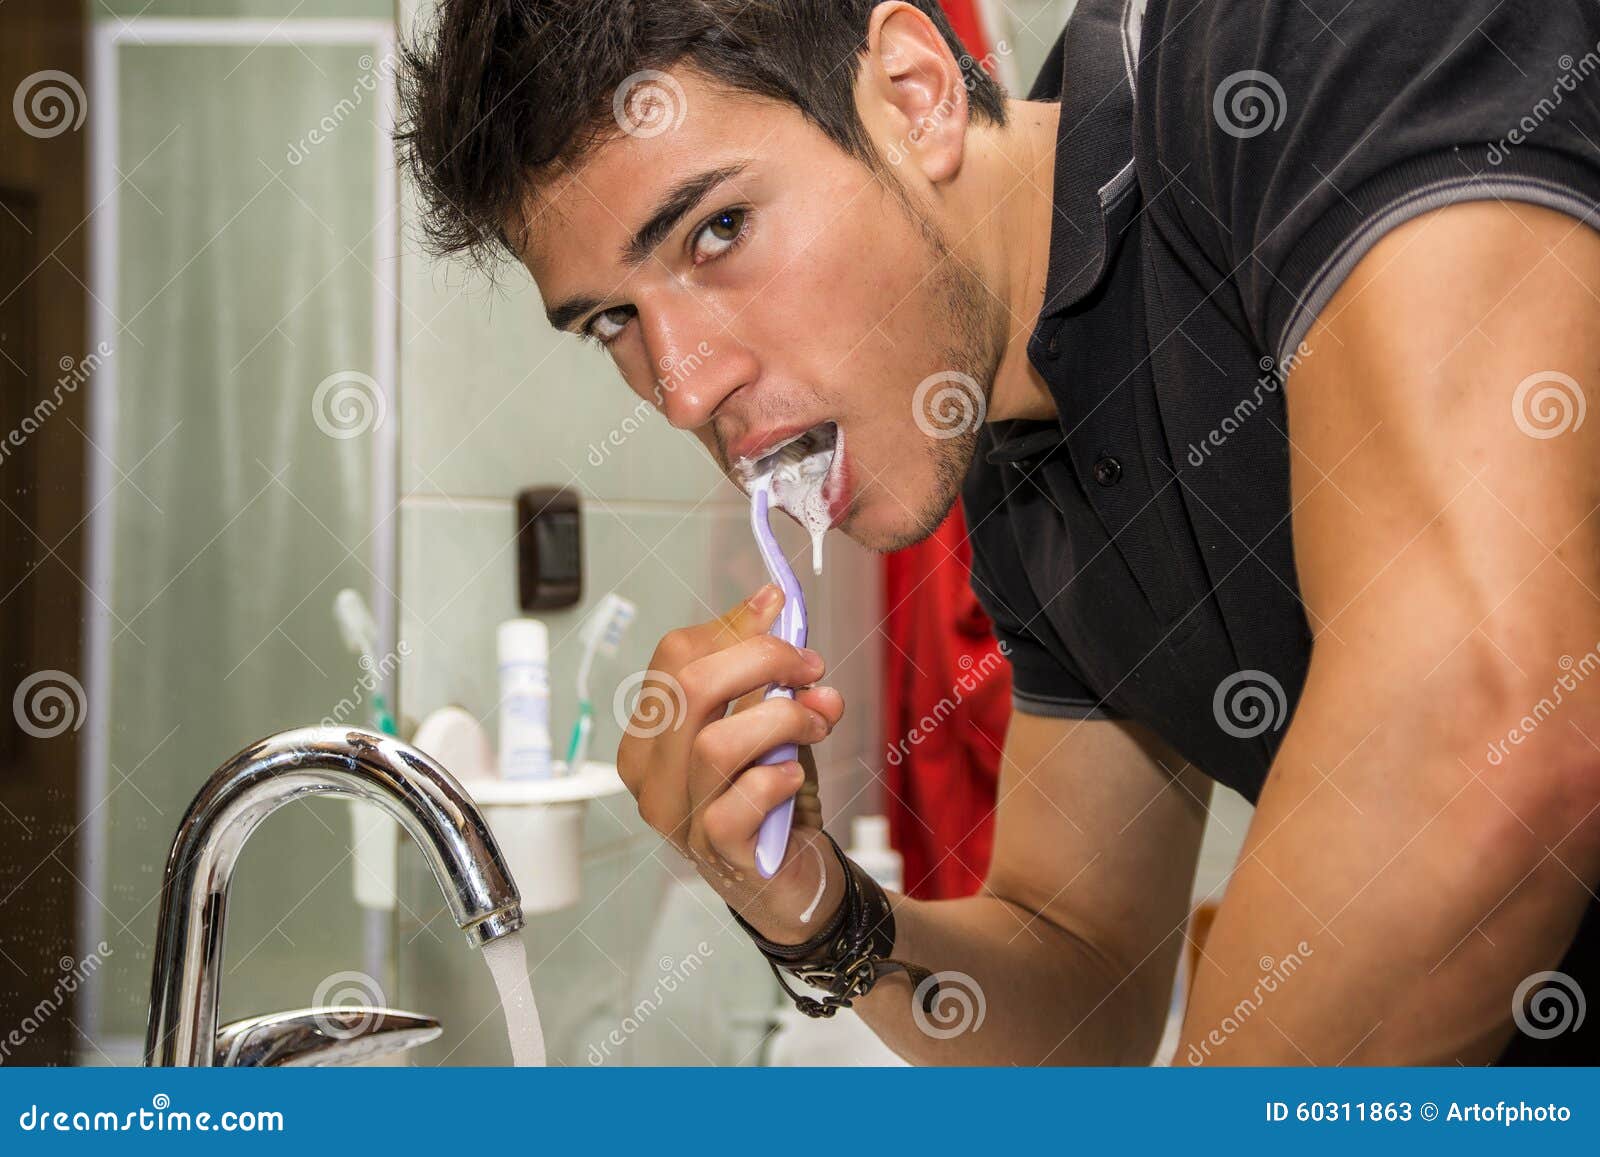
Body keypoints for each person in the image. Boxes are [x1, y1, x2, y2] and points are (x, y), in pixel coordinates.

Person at [398, 0, 1600, 1064]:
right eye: (612, 318)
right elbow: (1084, 990)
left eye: (717, 231)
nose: (681, 388)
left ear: (916, 94)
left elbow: (1494, 723)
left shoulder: (1284, 41)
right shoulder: (1013, 449)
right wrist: (817, 913)